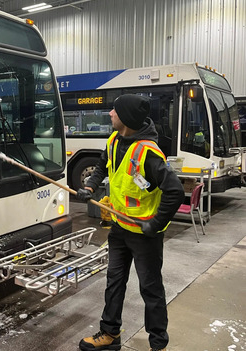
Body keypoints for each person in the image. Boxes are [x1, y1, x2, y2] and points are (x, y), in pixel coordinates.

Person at [76, 94, 185, 351]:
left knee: (150, 289)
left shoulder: (148, 154)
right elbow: (102, 166)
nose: (110, 114)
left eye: (114, 110)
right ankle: (110, 334)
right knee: (114, 281)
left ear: (125, 117)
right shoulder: (115, 140)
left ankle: (158, 345)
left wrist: (156, 223)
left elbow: (175, 192)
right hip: (119, 228)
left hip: (144, 234)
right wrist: (90, 186)